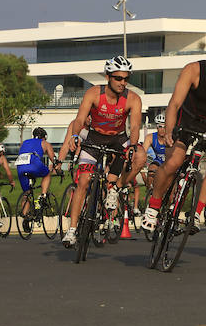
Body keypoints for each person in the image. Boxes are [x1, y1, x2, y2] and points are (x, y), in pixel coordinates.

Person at [139, 31, 206, 246]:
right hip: (186, 123)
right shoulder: (193, 70)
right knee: (173, 162)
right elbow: (174, 104)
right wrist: (169, 130)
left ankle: (196, 212)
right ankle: (153, 207)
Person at [62, 56, 144, 247]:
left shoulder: (133, 98)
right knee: (83, 181)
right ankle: (72, 230)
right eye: (118, 78)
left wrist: (132, 146)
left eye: (126, 78)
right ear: (108, 77)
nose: (123, 82)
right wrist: (75, 136)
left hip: (118, 139)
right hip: (95, 138)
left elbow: (135, 126)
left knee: (140, 156)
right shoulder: (93, 93)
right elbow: (80, 119)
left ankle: (115, 187)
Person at [16, 127, 59, 231]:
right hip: (33, 162)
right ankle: (43, 196)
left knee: (26, 193)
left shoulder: (25, 142)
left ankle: (25, 217)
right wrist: (58, 169)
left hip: (20, 165)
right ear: (44, 137)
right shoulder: (44, 143)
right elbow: (53, 159)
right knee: (47, 174)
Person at [137, 113, 167, 215]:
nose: (162, 129)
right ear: (156, 127)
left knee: (172, 191)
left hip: (169, 163)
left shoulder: (171, 137)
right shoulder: (151, 137)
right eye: (159, 126)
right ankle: (151, 191)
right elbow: (143, 152)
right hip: (158, 162)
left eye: (164, 127)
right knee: (151, 168)